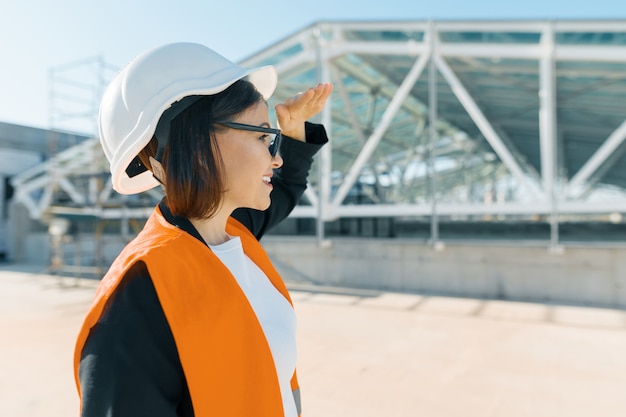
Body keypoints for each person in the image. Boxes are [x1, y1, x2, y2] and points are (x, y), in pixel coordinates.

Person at [73, 42, 333, 417]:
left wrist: (294, 135)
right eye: (263, 136)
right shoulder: (137, 301)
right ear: (198, 145)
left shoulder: (232, 232)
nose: (275, 157)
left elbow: (287, 186)